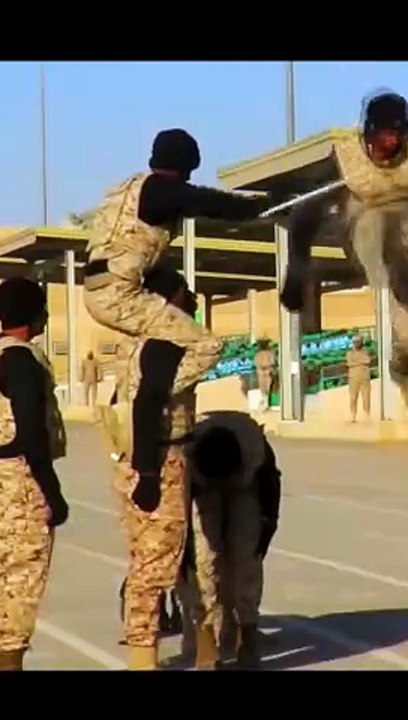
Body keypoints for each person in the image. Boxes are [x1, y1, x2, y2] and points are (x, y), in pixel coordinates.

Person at [82, 128, 280, 479]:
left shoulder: (125, 190)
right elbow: (210, 203)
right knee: (207, 345)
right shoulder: (163, 191)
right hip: (119, 292)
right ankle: (142, 405)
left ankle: (130, 398)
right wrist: (261, 206)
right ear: (187, 165)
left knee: (147, 347)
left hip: (103, 286)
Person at [279, 90, 408, 421]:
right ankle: (394, 267)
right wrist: (295, 271)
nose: (388, 148)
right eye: (381, 139)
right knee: (379, 227)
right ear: (367, 134)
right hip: (360, 221)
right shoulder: (344, 158)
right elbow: (306, 214)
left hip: (404, 227)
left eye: (395, 138)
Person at [104, 266, 206, 670]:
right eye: (186, 293)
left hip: (140, 456)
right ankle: (142, 658)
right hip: (158, 460)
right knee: (155, 566)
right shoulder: (164, 341)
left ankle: (143, 652)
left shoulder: (138, 342)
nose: (193, 300)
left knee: (147, 560)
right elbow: (147, 403)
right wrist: (148, 474)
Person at [0, 278, 69, 670]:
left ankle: (5, 660)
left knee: (4, 579)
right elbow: (31, 433)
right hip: (21, 478)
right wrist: (53, 493)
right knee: (22, 584)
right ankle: (8, 664)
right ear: (32, 314)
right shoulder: (22, 360)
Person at [181, 410, 281, 670]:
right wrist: (186, 552)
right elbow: (181, 514)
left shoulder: (257, 452)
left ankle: (247, 633)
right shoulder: (189, 458)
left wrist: (264, 534)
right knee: (204, 558)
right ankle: (206, 636)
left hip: (245, 487)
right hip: (205, 489)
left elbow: (271, 496)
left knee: (246, 555)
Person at [345, 335, 372, 422]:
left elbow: (368, 361)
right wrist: (361, 362)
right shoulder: (350, 352)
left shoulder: (365, 351)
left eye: (358, 341)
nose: (357, 343)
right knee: (353, 397)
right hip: (353, 378)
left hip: (364, 377)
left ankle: (367, 414)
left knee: (366, 397)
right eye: (355, 342)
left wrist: (356, 362)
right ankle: (353, 415)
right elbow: (349, 363)